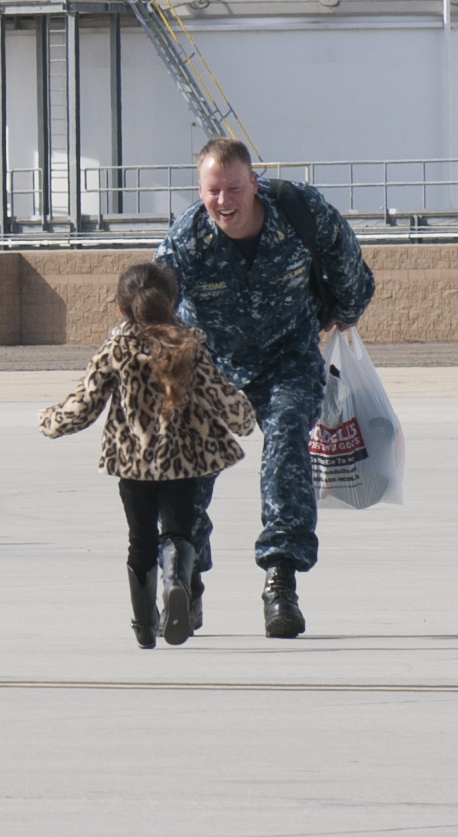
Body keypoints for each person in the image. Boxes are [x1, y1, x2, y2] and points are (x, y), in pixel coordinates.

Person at [154, 137, 376, 638]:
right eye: (213, 191)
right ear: (200, 190)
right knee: (190, 466)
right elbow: (154, 300)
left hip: (288, 359)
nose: (224, 201)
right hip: (213, 366)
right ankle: (187, 575)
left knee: (285, 449)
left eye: (234, 188)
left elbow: (349, 267)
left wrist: (344, 310)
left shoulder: (300, 211)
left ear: (253, 184)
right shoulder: (187, 238)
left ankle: (281, 581)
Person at [38, 262, 255, 649]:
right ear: (172, 303)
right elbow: (221, 395)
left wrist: (50, 420)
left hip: (132, 465)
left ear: (122, 310)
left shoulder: (116, 349)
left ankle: (143, 624)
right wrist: (244, 419)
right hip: (183, 464)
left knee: (139, 542)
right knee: (177, 532)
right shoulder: (188, 346)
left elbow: (84, 403)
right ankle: (176, 584)